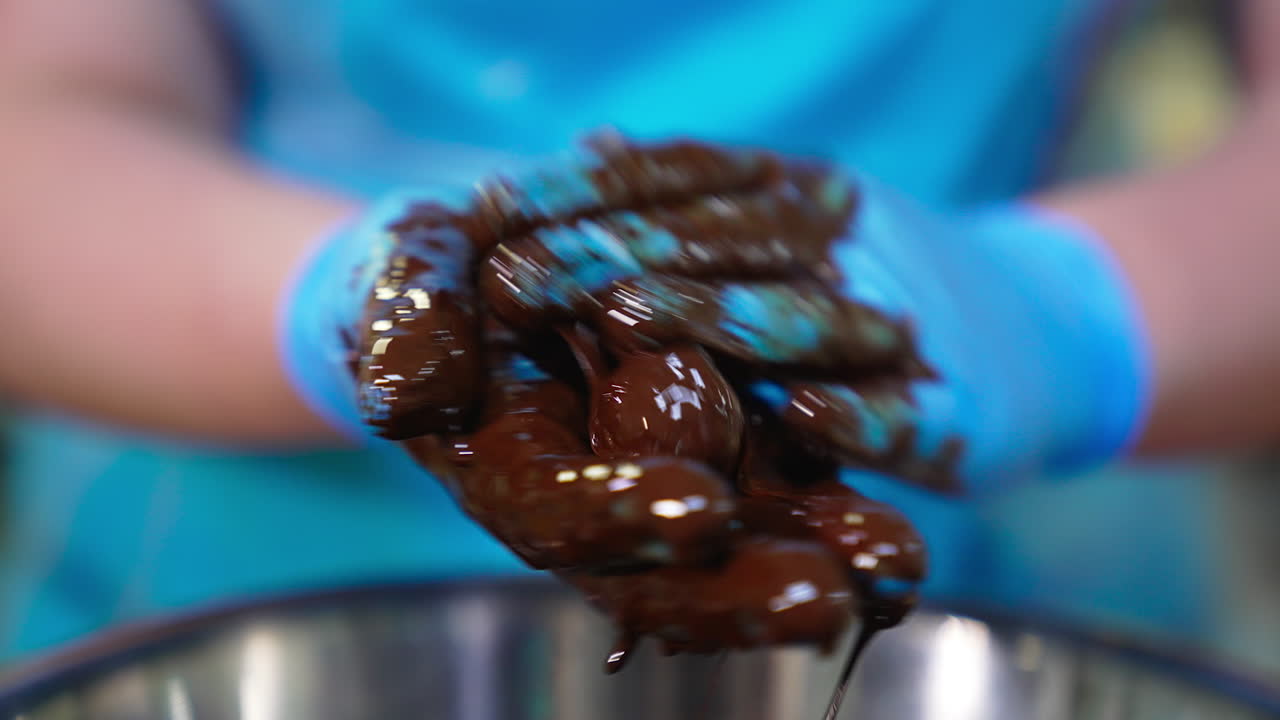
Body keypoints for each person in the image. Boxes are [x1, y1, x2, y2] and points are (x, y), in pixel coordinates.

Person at [1, 0, 1276, 661]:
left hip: (997, 603)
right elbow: (40, 113)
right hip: (210, 587)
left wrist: (1073, 316)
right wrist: (343, 299)